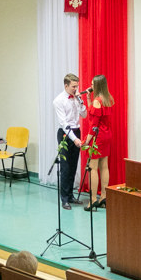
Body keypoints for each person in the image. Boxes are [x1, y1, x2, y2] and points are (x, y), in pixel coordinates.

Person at [52, 73, 87, 210]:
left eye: (77, 86)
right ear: (66, 85)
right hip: (66, 135)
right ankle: (64, 199)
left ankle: (71, 195)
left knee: (73, 166)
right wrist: (75, 139)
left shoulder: (76, 98)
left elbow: (84, 114)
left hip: (76, 131)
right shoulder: (58, 101)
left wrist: (80, 100)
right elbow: (64, 123)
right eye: (73, 86)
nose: (75, 89)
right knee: (65, 167)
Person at [82, 74, 114, 212]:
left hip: (98, 136)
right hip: (107, 135)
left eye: (92, 84)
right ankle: (104, 197)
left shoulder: (97, 101)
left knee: (93, 167)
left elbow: (93, 124)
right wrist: (88, 97)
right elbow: (93, 113)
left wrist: (87, 141)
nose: (91, 86)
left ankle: (93, 199)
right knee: (104, 166)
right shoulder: (107, 99)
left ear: (97, 86)